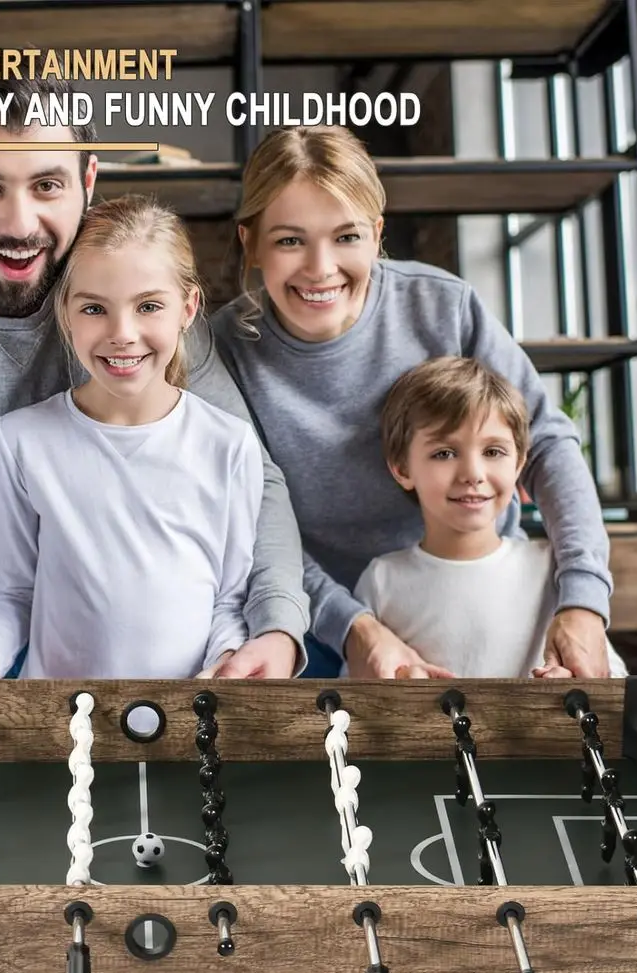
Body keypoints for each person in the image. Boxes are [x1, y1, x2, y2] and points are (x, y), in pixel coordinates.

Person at [0, 71, 309, 680]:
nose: (20, 224)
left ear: (87, 181)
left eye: (48, 185)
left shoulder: (131, 281)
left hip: (66, 518)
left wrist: (279, 627)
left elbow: (254, 478)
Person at [210, 124, 615, 680]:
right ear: (249, 242)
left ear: (377, 235)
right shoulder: (224, 350)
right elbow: (249, 517)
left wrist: (583, 601)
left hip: (475, 592)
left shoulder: (442, 306)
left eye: (347, 237)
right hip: (315, 622)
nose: (320, 268)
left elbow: (546, 442)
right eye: (289, 240)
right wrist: (353, 627)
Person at [0, 196, 263, 680]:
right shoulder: (22, 441)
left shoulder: (229, 445)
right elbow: (14, 591)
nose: (122, 333)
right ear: (66, 314)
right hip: (58, 731)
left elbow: (229, 599)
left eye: (149, 307)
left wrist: (224, 666)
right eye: (95, 308)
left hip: (182, 728)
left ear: (188, 307)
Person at [353, 356, 626, 679]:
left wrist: (574, 682)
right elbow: (358, 697)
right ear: (402, 469)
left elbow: (611, 680)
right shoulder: (381, 581)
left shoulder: (551, 570)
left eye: (493, 452)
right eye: (444, 453)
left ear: (520, 463)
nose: (473, 474)